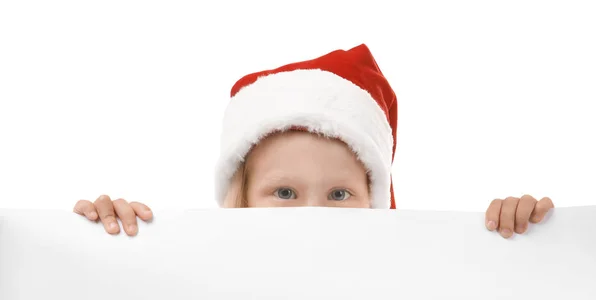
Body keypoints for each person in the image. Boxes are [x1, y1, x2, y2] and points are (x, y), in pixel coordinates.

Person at [73, 44, 554, 239]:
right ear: (240, 204)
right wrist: (117, 237)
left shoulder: (403, 284)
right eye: (284, 193)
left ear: (375, 203)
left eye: (340, 194)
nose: (313, 213)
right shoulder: (204, 276)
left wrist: (517, 240)